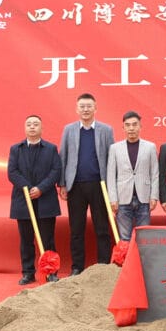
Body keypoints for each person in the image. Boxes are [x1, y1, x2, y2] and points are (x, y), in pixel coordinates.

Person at [59, 93, 114, 275]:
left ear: (95, 108)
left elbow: (112, 159)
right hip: (76, 186)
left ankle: (104, 265)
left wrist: (111, 186)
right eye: (82, 106)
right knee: (76, 228)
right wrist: (63, 184)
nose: (85, 109)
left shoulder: (106, 130)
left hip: (100, 186)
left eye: (89, 106)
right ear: (77, 109)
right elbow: (63, 156)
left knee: (102, 228)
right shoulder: (69, 130)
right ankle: (77, 267)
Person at [8, 115, 62, 284]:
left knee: (48, 239)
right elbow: (12, 172)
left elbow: (56, 171)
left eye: (36, 124)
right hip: (23, 200)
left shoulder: (51, 148)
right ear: (25, 128)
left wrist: (40, 188)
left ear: (42, 128)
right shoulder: (16, 149)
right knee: (26, 240)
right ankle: (28, 272)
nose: (32, 127)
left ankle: (51, 271)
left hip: (45, 199)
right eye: (29, 124)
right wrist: (27, 188)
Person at [106, 111, 159, 240]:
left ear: (140, 126)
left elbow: (155, 173)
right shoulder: (115, 148)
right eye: (128, 125)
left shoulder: (150, 147)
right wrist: (113, 198)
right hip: (123, 199)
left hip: (144, 199)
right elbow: (111, 175)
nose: (131, 128)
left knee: (143, 238)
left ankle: (141, 261)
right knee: (124, 238)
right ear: (123, 127)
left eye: (134, 125)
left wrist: (154, 196)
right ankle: (126, 261)